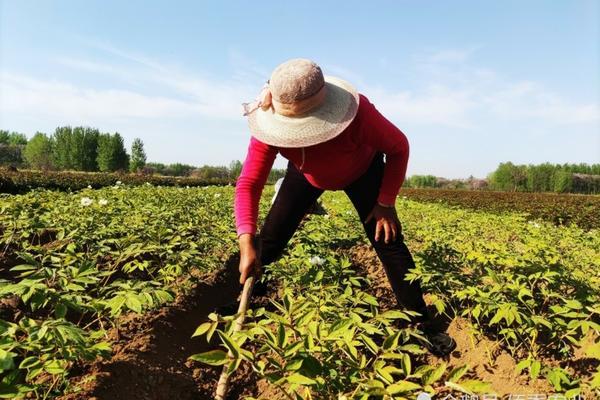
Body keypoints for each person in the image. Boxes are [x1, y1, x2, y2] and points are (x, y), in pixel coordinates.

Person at [234, 58, 456, 357]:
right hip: (305, 174)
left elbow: (399, 147)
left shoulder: (360, 114)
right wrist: (246, 241)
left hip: (363, 172)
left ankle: (421, 323)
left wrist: (385, 202)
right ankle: (246, 301)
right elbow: (249, 182)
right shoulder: (268, 122)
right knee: (270, 240)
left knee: (388, 241)